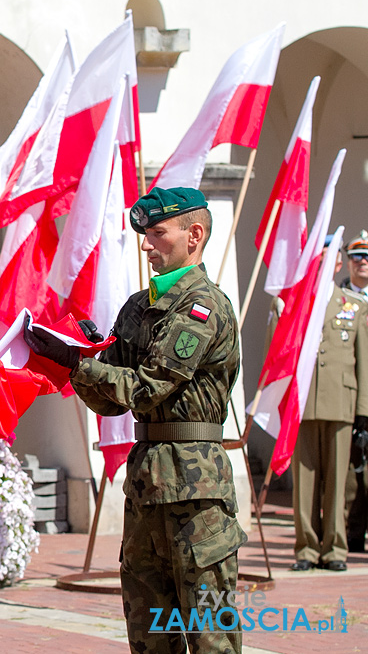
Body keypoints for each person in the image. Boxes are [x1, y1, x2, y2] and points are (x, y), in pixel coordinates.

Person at [24, 187, 246, 653]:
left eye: (158, 233)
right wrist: (82, 356)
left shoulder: (202, 306)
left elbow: (146, 387)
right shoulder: (137, 307)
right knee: (149, 633)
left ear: (195, 235)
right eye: (145, 233)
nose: (146, 243)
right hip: (148, 484)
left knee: (210, 634)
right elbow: (111, 404)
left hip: (197, 490)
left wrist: (77, 365)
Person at [285, 233, 368, 570]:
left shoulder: (355, 307)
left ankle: (335, 549)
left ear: (338, 264)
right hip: (302, 405)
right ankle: (306, 548)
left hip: (341, 402)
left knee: (337, 482)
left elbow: (363, 361)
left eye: (329, 258)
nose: (324, 264)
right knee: (305, 483)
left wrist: (363, 412)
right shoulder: (293, 306)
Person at [344, 231, 368, 553]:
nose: (363, 262)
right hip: (349, 398)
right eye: (358, 257)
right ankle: (351, 534)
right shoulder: (336, 301)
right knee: (352, 476)